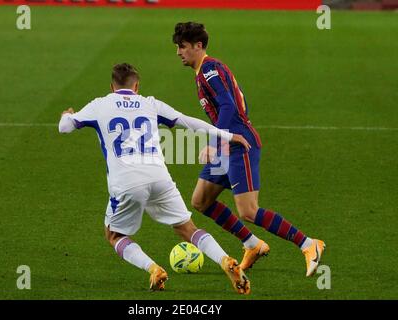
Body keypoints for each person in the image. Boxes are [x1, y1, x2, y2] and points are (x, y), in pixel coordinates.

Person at [58, 63, 251, 294]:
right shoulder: (150, 103)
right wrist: (228, 135)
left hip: (127, 182)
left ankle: (153, 269)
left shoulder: (99, 105)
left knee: (114, 234)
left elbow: (64, 128)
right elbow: (188, 121)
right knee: (187, 228)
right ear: (136, 86)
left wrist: (66, 115)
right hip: (159, 177)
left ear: (112, 87)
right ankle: (224, 260)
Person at [172, 22, 325, 277]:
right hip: (227, 143)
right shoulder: (203, 73)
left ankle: (309, 244)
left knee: (248, 211)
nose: (178, 52)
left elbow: (228, 106)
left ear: (198, 46)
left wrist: (214, 142)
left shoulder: (210, 69)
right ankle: (252, 245)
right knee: (201, 200)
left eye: (182, 46)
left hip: (239, 143)